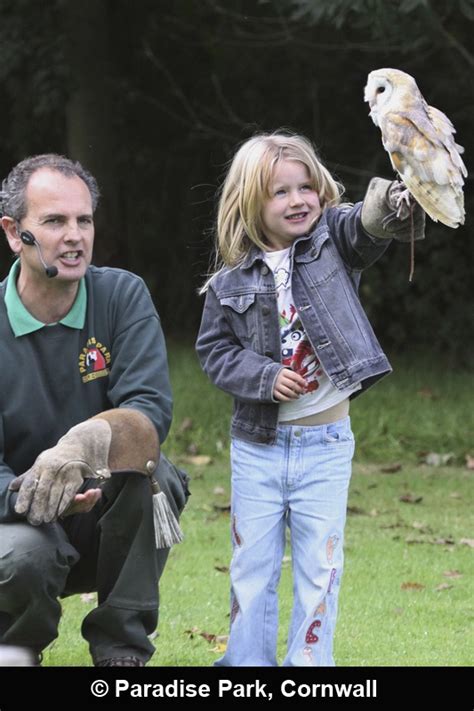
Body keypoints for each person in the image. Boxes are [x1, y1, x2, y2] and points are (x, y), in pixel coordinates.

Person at [195, 131, 424, 666]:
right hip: (257, 447)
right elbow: (214, 351)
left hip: (325, 445)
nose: (298, 200)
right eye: (281, 192)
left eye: (306, 187)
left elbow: (367, 227)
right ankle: (246, 668)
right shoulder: (229, 281)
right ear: (250, 203)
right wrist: (264, 376)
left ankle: (309, 670)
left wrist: (391, 203)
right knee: (252, 565)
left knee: (320, 567)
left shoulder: (332, 243)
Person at [0, 154, 188, 667]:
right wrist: (32, 493)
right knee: (23, 555)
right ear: (16, 233)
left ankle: (121, 652)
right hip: (17, 520)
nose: (75, 235)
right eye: (55, 221)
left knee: (158, 482)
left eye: (84, 220)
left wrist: (81, 447)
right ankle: (17, 643)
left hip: (102, 509)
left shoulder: (122, 295)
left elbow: (149, 409)